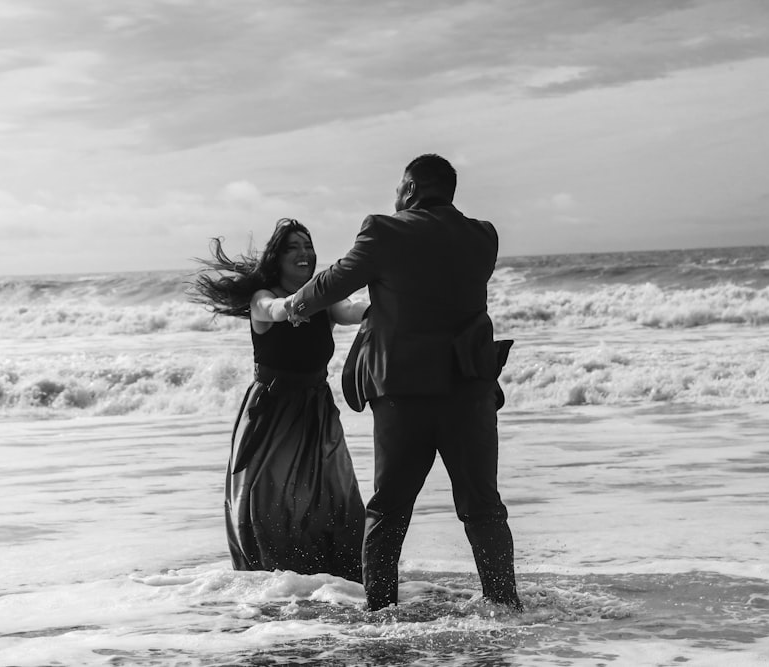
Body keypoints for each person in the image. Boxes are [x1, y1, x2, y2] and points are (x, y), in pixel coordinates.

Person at [284, 154, 522, 611]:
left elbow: (336, 280)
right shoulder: (483, 237)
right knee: (483, 508)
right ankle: (505, 607)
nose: (394, 196)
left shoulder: (385, 231)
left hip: (403, 397)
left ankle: (381, 613)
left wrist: (298, 303)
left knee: (388, 510)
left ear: (410, 188)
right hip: (469, 393)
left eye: (398, 188)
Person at [191, 218, 369, 582]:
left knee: (333, 497)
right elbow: (273, 309)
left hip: (316, 410)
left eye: (308, 246)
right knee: (269, 504)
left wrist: (390, 307)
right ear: (278, 257)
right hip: (271, 413)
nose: (304, 253)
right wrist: (294, 306)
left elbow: (350, 312)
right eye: (293, 248)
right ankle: (276, 586)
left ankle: (339, 582)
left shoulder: (324, 295)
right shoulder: (263, 297)